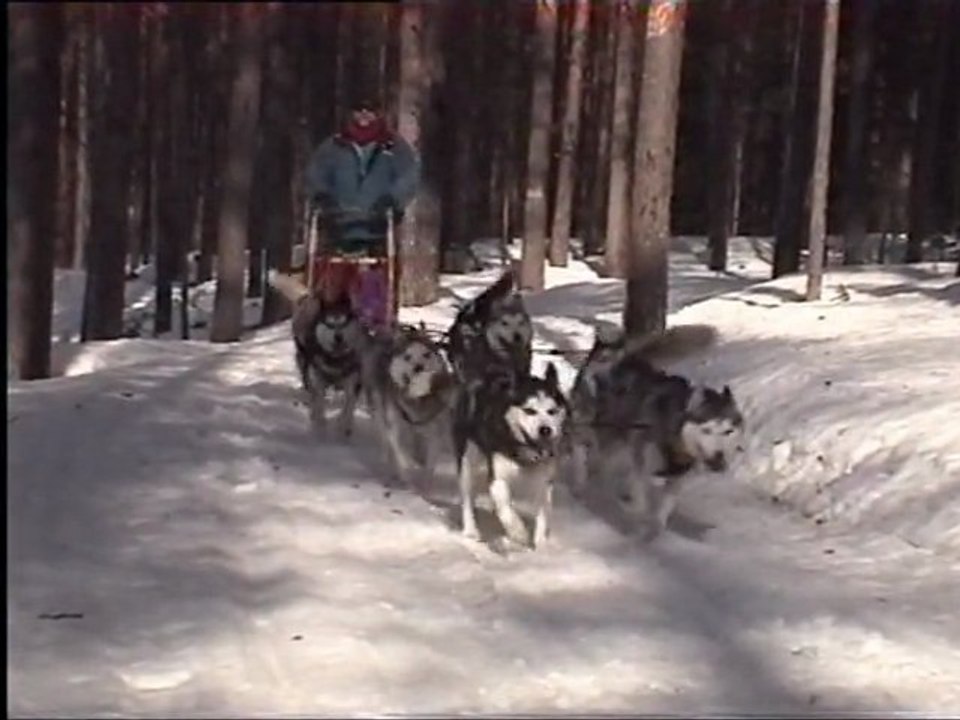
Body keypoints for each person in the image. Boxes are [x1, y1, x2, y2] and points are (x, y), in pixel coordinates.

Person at [304, 96, 420, 327]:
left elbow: (409, 176)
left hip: (378, 226)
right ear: (351, 114)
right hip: (337, 225)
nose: (364, 116)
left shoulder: (394, 147)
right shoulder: (333, 146)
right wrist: (321, 195)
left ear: (379, 114)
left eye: (370, 110)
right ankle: (328, 323)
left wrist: (393, 199)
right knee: (332, 280)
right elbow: (315, 174)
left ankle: (375, 325)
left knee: (375, 282)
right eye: (359, 110)